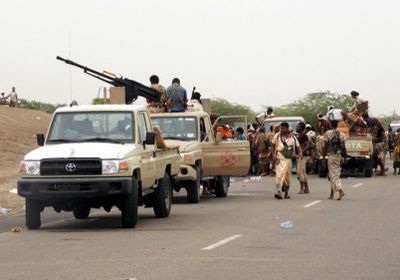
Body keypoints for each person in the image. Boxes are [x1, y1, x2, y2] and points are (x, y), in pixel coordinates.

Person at [271, 122, 302, 199]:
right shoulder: (277, 135)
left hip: (288, 159)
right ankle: (279, 192)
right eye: (281, 128)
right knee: (279, 175)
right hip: (279, 158)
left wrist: (300, 153)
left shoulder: (293, 137)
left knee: (287, 177)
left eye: (283, 128)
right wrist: (273, 155)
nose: (281, 129)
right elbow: (272, 145)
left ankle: (286, 193)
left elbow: (298, 147)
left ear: (287, 129)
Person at [322, 120, 346, 200]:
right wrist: (345, 157)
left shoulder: (328, 133)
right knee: (335, 173)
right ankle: (331, 194)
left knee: (333, 175)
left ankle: (340, 190)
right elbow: (343, 147)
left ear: (330, 125)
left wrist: (323, 157)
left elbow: (325, 146)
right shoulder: (341, 134)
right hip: (338, 155)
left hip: (331, 155)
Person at [296, 122, 311, 194]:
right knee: (300, 173)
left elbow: (308, 144)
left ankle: (305, 188)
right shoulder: (299, 135)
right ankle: (304, 188)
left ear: (301, 128)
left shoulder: (303, 135)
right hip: (299, 156)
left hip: (303, 156)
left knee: (301, 172)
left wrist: (302, 151)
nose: (296, 128)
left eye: (298, 127)